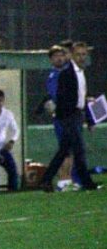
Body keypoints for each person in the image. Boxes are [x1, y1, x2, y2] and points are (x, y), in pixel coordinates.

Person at [39, 41, 100, 191]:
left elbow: (81, 97)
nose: (81, 57)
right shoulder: (66, 74)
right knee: (78, 150)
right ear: (72, 55)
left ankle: (46, 180)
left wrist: (90, 119)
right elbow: (61, 98)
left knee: (64, 150)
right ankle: (87, 182)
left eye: (84, 54)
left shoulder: (79, 72)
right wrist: (67, 116)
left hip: (76, 114)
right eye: (78, 54)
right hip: (69, 116)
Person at [45, 44, 78, 191]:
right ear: (51, 60)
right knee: (65, 148)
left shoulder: (67, 73)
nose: (59, 58)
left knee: (69, 148)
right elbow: (56, 96)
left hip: (69, 114)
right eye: (55, 56)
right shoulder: (54, 76)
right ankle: (63, 180)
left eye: (61, 55)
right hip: (62, 116)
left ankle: (68, 179)